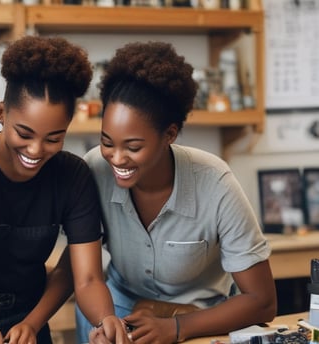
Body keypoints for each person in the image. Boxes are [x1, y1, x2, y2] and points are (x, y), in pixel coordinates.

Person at [0, 36, 130, 344]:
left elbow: (86, 278)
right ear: (2, 113)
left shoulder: (73, 176)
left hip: (26, 322)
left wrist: (104, 319)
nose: (36, 150)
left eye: (53, 138)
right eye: (24, 133)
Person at [77, 41, 277, 343]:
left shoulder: (215, 182)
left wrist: (176, 328)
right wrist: (106, 324)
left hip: (199, 317)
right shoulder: (94, 169)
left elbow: (262, 302)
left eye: (133, 147)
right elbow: (87, 276)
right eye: (107, 142)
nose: (117, 158)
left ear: (169, 134)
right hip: (115, 310)